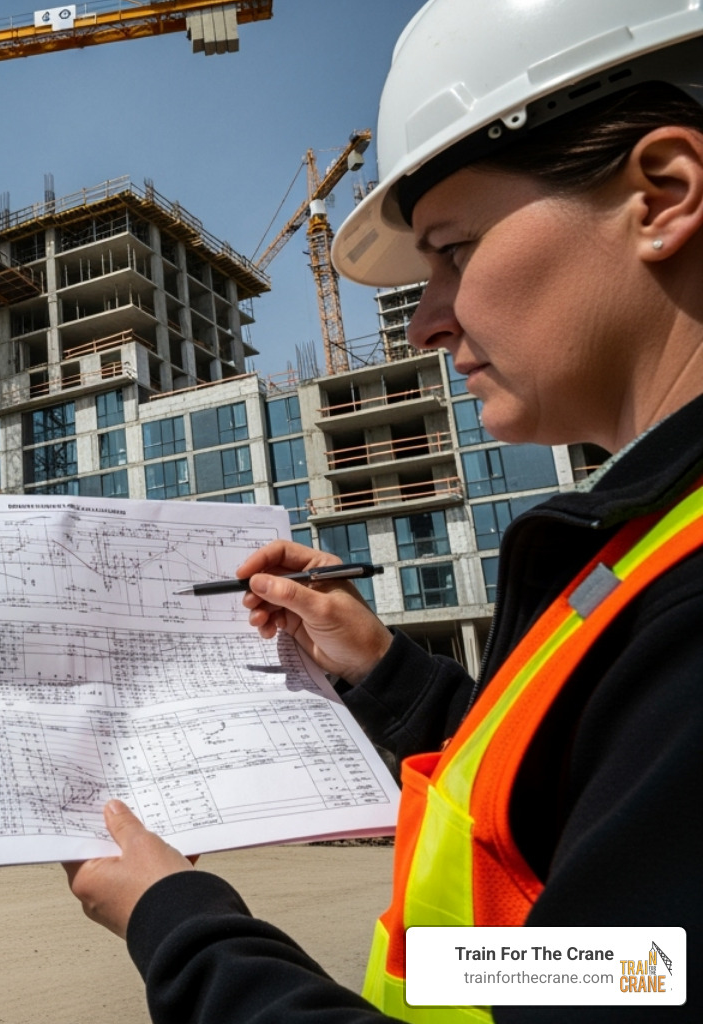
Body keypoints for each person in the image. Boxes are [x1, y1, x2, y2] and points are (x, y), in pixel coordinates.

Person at [64, 3, 703, 1021]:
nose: (424, 320)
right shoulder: (651, 546)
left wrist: (179, 922)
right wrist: (383, 670)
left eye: (453, 250)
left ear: (660, 196)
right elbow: (616, 949)